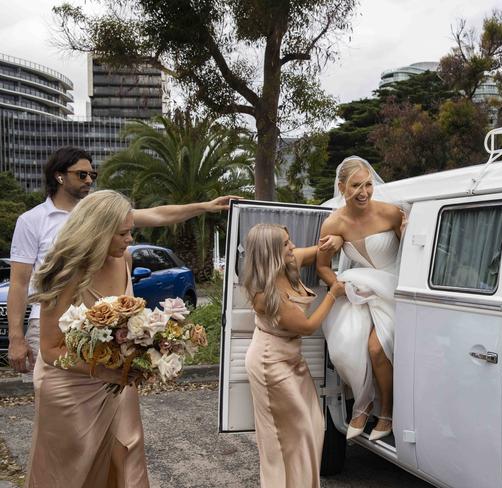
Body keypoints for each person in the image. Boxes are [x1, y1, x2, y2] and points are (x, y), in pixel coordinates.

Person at [8, 146, 238, 379]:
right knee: (54, 391)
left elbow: (159, 215)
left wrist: (205, 206)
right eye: (82, 174)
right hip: (50, 324)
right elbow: (19, 283)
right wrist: (16, 337)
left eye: (92, 175)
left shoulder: (104, 216)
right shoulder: (32, 221)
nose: (89, 179)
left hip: (103, 330)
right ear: (59, 176)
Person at [27, 190, 149, 487]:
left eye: (131, 231)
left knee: (125, 463)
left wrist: (148, 348)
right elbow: (50, 350)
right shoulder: (67, 272)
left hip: (116, 386)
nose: (129, 239)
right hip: (69, 390)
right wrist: (106, 371)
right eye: (123, 233)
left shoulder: (125, 260)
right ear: (99, 231)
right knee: (70, 476)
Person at [242, 224, 346, 488]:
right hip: (270, 363)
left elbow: (316, 252)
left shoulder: (290, 262)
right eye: (286, 244)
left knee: (313, 423)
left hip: (291, 358)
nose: (293, 247)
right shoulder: (266, 294)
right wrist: (333, 294)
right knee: (290, 433)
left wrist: (335, 239)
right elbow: (308, 327)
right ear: (271, 253)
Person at [316, 156, 403, 442]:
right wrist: (337, 287)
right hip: (362, 291)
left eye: (368, 184)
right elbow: (322, 266)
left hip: (395, 289)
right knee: (345, 347)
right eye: (356, 186)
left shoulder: (391, 213)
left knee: (376, 349)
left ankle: (386, 412)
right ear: (341, 187)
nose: (364, 192)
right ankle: (361, 406)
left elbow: (412, 250)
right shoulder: (333, 223)